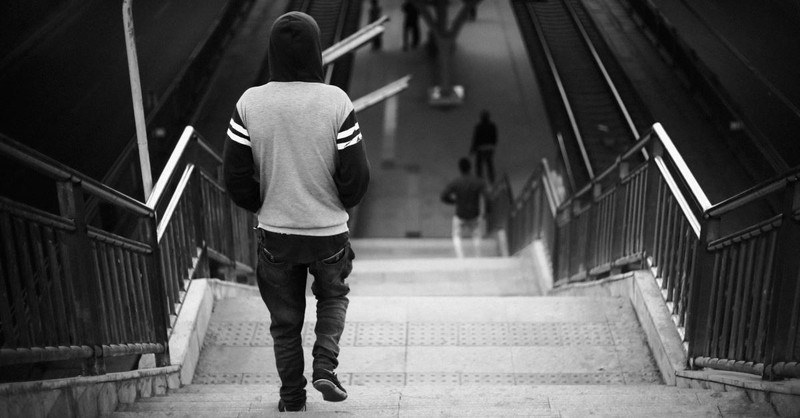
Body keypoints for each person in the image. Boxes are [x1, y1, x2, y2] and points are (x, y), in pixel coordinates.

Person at [222, 11, 370, 413]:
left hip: (276, 234)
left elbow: (234, 176)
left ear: (272, 52)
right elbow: (357, 177)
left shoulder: (250, 103)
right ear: (316, 51)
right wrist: (334, 201)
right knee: (333, 296)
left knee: (284, 322)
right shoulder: (336, 101)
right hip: (328, 232)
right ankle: (325, 363)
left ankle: (291, 400)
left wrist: (267, 201)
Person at [441, 158, 489, 258]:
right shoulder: (479, 182)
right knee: (476, 235)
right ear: (470, 167)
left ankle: (460, 257)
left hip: (460, 214)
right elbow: (488, 198)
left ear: (460, 168)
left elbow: (443, 196)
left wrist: (454, 201)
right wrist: (488, 211)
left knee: (456, 235)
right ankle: (478, 256)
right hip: (474, 214)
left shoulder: (456, 182)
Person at [470, 110, 498, 184]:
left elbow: (475, 138)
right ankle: (492, 179)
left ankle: (479, 180)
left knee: (479, 164)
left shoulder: (478, 127)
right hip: (489, 147)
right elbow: (495, 137)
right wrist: (493, 145)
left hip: (480, 148)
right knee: (489, 163)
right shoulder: (492, 126)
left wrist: (472, 149)